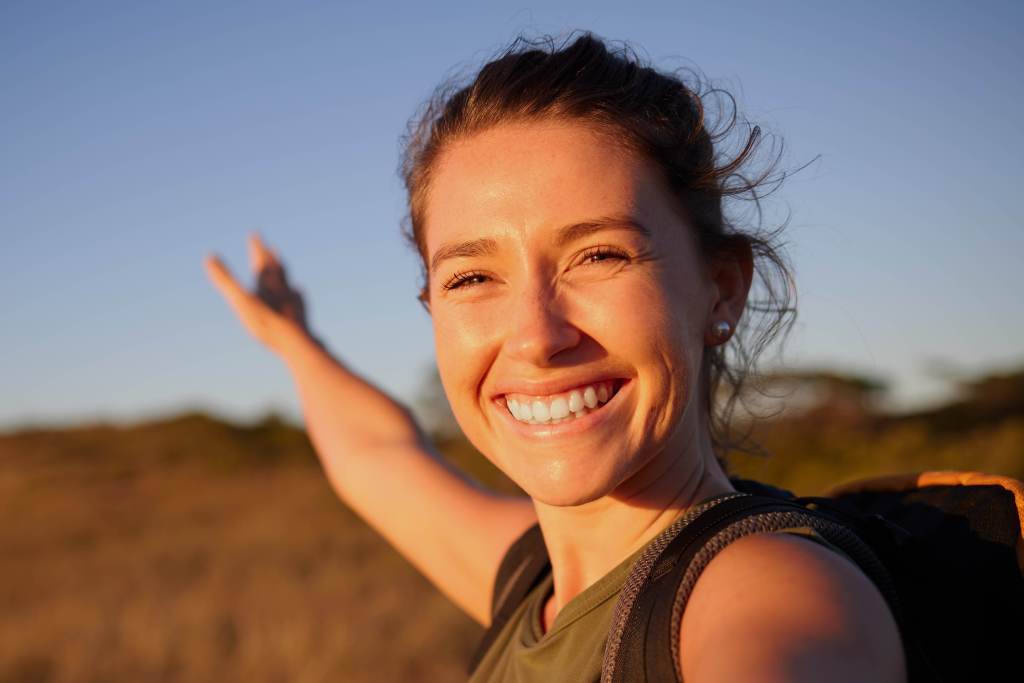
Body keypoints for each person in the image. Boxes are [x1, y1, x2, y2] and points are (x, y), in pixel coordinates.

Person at [205, 32, 907, 682]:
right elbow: (378, 460)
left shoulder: (768, 595)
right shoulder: (535, 582)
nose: (536, 336)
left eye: (599, 255)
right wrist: (293, 341)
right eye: (472, 277)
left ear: (720, 289)